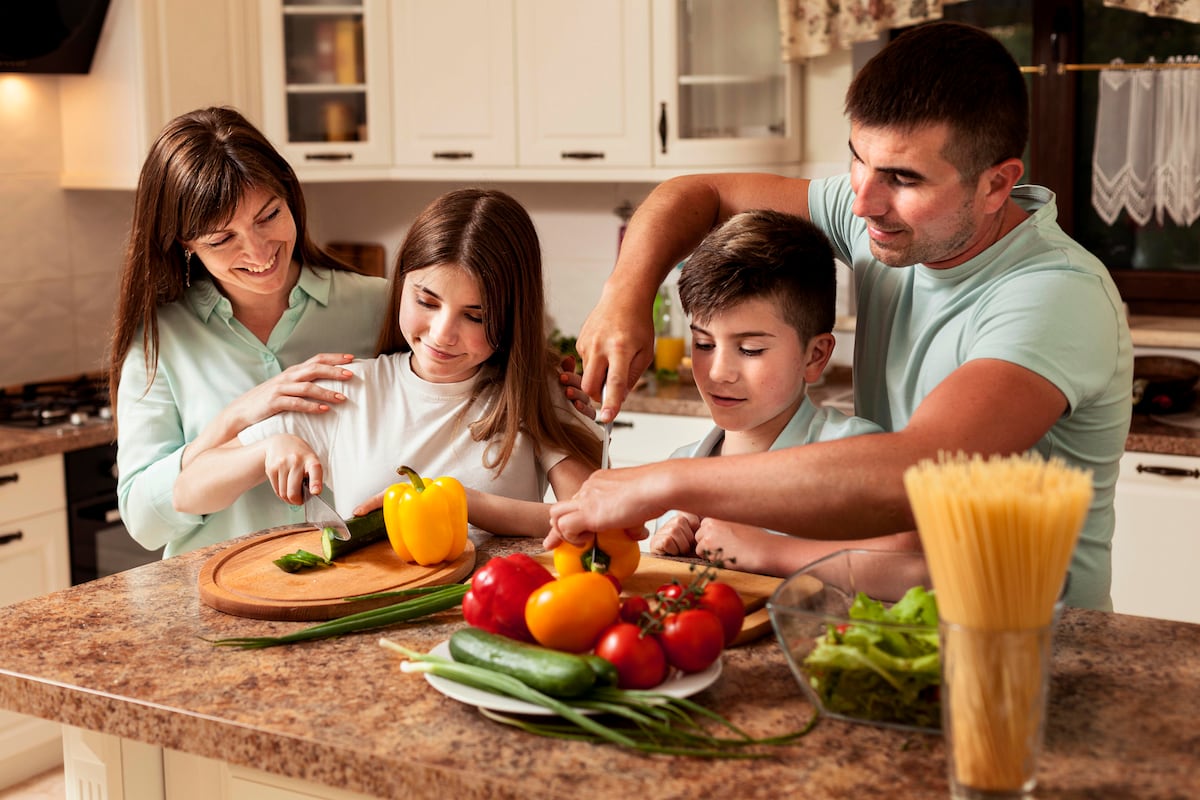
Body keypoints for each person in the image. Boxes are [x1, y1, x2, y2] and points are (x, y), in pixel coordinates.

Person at [548, 21, 1133, 611]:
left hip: (1034, 646)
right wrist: (624, 292)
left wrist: (659, 484)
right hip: (902, 629)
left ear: (996, 184)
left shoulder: (1055, 293)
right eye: (858, 160)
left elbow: (919, 473)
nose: (863, 203)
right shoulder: (886, 218)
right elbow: (697, 191)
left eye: (904, 178)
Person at [173, 189, 603, 540]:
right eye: (426, 301)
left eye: (476, 316)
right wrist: (268, 449)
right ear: (400, 285)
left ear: (513, 317)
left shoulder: (536, 389)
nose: (441, 333)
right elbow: (188, 492)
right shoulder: (349, 388)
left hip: (495, 616)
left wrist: (459, 502)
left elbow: (594, 519)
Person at [110, 107, 390, 559]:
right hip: (217, 602)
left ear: (289, 195)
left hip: (361, 586)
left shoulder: (379, 307)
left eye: (268, 216)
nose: (258, 251)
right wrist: (238, 419)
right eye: (222, 240)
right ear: (185, 243)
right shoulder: (161, 340)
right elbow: (144, 521)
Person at [650, 209, 921, 577]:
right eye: (703, 343)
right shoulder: (677, 471)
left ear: (816, 355)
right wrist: (665, 542)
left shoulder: (853, 452)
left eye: (750, 350)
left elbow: (916, 568)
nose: (718, 373)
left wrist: (770, 549)